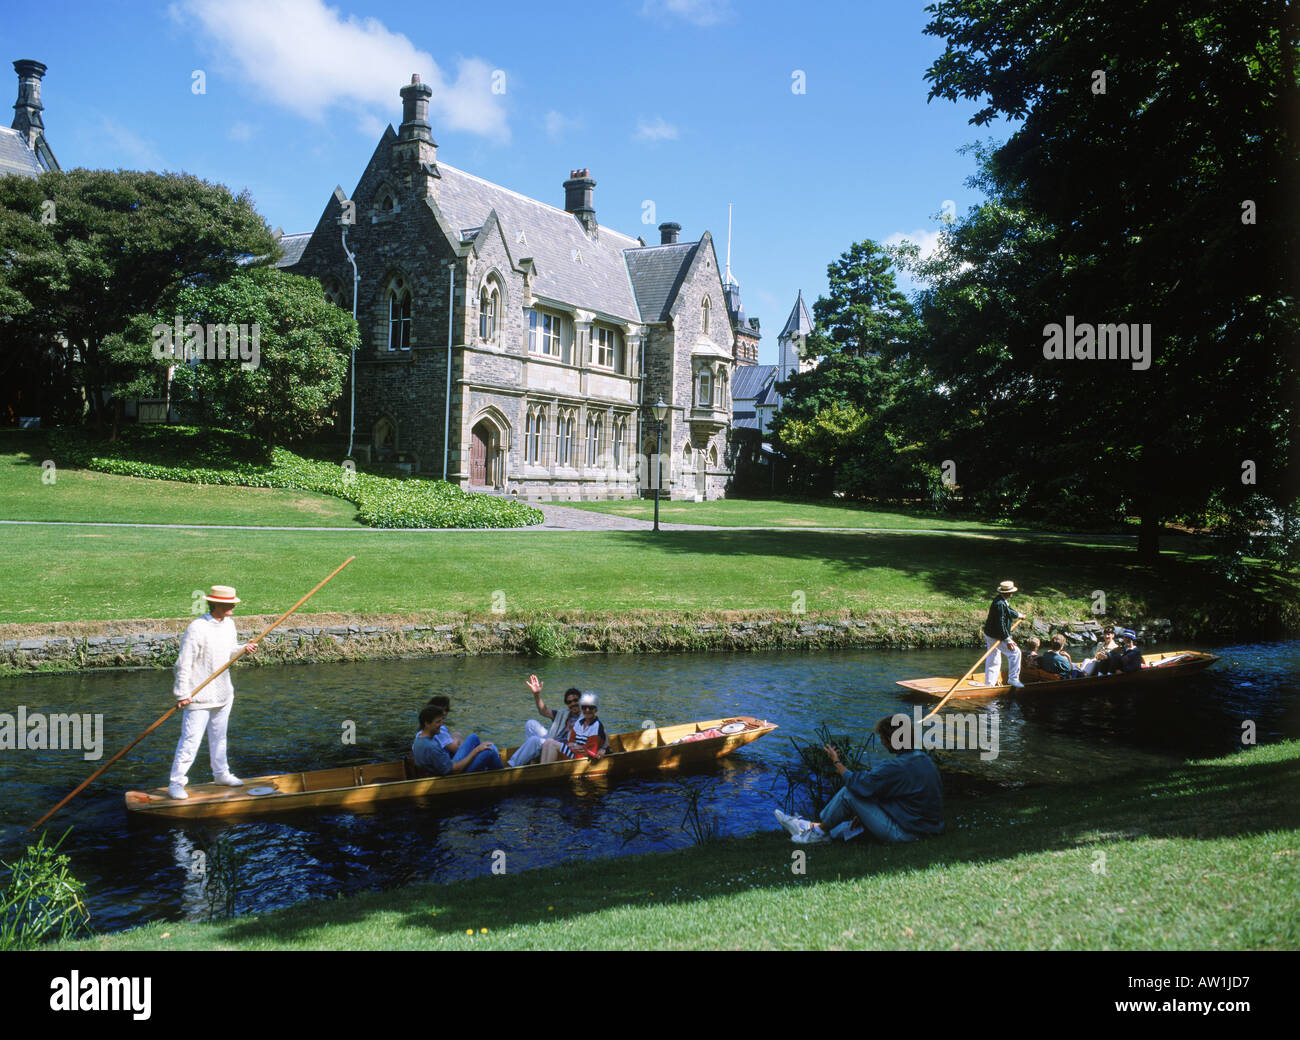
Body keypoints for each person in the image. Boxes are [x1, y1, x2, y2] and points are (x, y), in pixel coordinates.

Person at [774, 714, 944, 845]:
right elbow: (889, 790)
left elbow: (858, 783)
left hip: (907, 833)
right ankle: (809, 827)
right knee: (842, 829)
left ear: (892, 740)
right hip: (925, 828)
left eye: (883, 738)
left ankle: (816, 834)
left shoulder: (897, 766)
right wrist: (864, 812)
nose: (882, 743)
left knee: (850, 793)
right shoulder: (922, 759)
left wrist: (836, 761)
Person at [168, 585, 258, 799]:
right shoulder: (197, 627)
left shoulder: (229, 625)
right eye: (229, 604)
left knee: (220, 737)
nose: (233, 608)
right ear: (216, 604)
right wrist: (182, 693)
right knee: (190, 741)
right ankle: (176, 783)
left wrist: (243, 649)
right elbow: (184, 663)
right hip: (198, 696)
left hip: (224, 693)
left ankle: (221, 774)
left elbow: (229, 651)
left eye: (233, 604)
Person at [507, 675, 582, 767]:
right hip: (552, 740)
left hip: (561, 747)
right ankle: (533, 756)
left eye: (575, 700)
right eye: (569, 702)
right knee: (531, 723)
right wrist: (536, 694)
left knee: (534, 740)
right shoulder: (563, 714)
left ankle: (512, 765)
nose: (573, 704)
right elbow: (543, 711)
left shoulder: (586, 716)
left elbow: (599, 732)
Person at [411, 705, 503, 775]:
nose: (441, 724)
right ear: (427, 724)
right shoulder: (432, 747)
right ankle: (502, 775)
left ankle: (483, 767)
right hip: (453, 774)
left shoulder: (420, 738)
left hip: (448, 764)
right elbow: (455, 770)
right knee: (490, 750)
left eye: (441, 720)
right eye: (438, 722)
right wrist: (476, 750)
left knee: (473, 737)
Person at [540, 691, 608, 764]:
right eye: (584, 708)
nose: (587, 710)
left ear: (596, 709)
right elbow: (571, 742)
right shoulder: (579, 723)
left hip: (583, 759)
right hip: (574, 753)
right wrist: (576, 746)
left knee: (553, 744)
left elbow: (590, 751)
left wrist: (603, 748)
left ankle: (546, 772)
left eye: (591, 708)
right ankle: (543, 767)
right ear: (581, 709)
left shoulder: (596, 726)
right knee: (548, 741)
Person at [980, 580, 1025, 688]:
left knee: (994, 658)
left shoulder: (1000, 600)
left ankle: (990, 683)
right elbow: (1001, 624)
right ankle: (1013, 679)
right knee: (1015, 653)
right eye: (1012, 592)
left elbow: (1008, 611)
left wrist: (1019, 615)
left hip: (990, 634)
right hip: (995, 635)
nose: (1012, 593)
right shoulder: (1000, 604)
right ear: (1009, 593)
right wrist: (1008, 640)